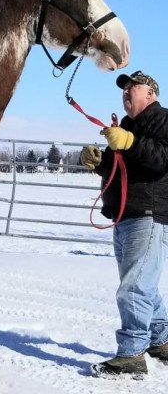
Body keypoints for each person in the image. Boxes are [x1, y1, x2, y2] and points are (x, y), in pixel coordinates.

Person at [81, 71, 168, 377]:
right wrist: (99, 163)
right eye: (124, 88)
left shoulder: (163, 120)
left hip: (148, 213)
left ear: (151, 93)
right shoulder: (128, 126)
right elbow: (121, 169)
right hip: (126, 214)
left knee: (134, 286)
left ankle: (132, 354)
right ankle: (161, 341)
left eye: (134, 86)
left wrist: (130, 142)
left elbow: (162, 159)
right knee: (142, 282)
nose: (127, 91)